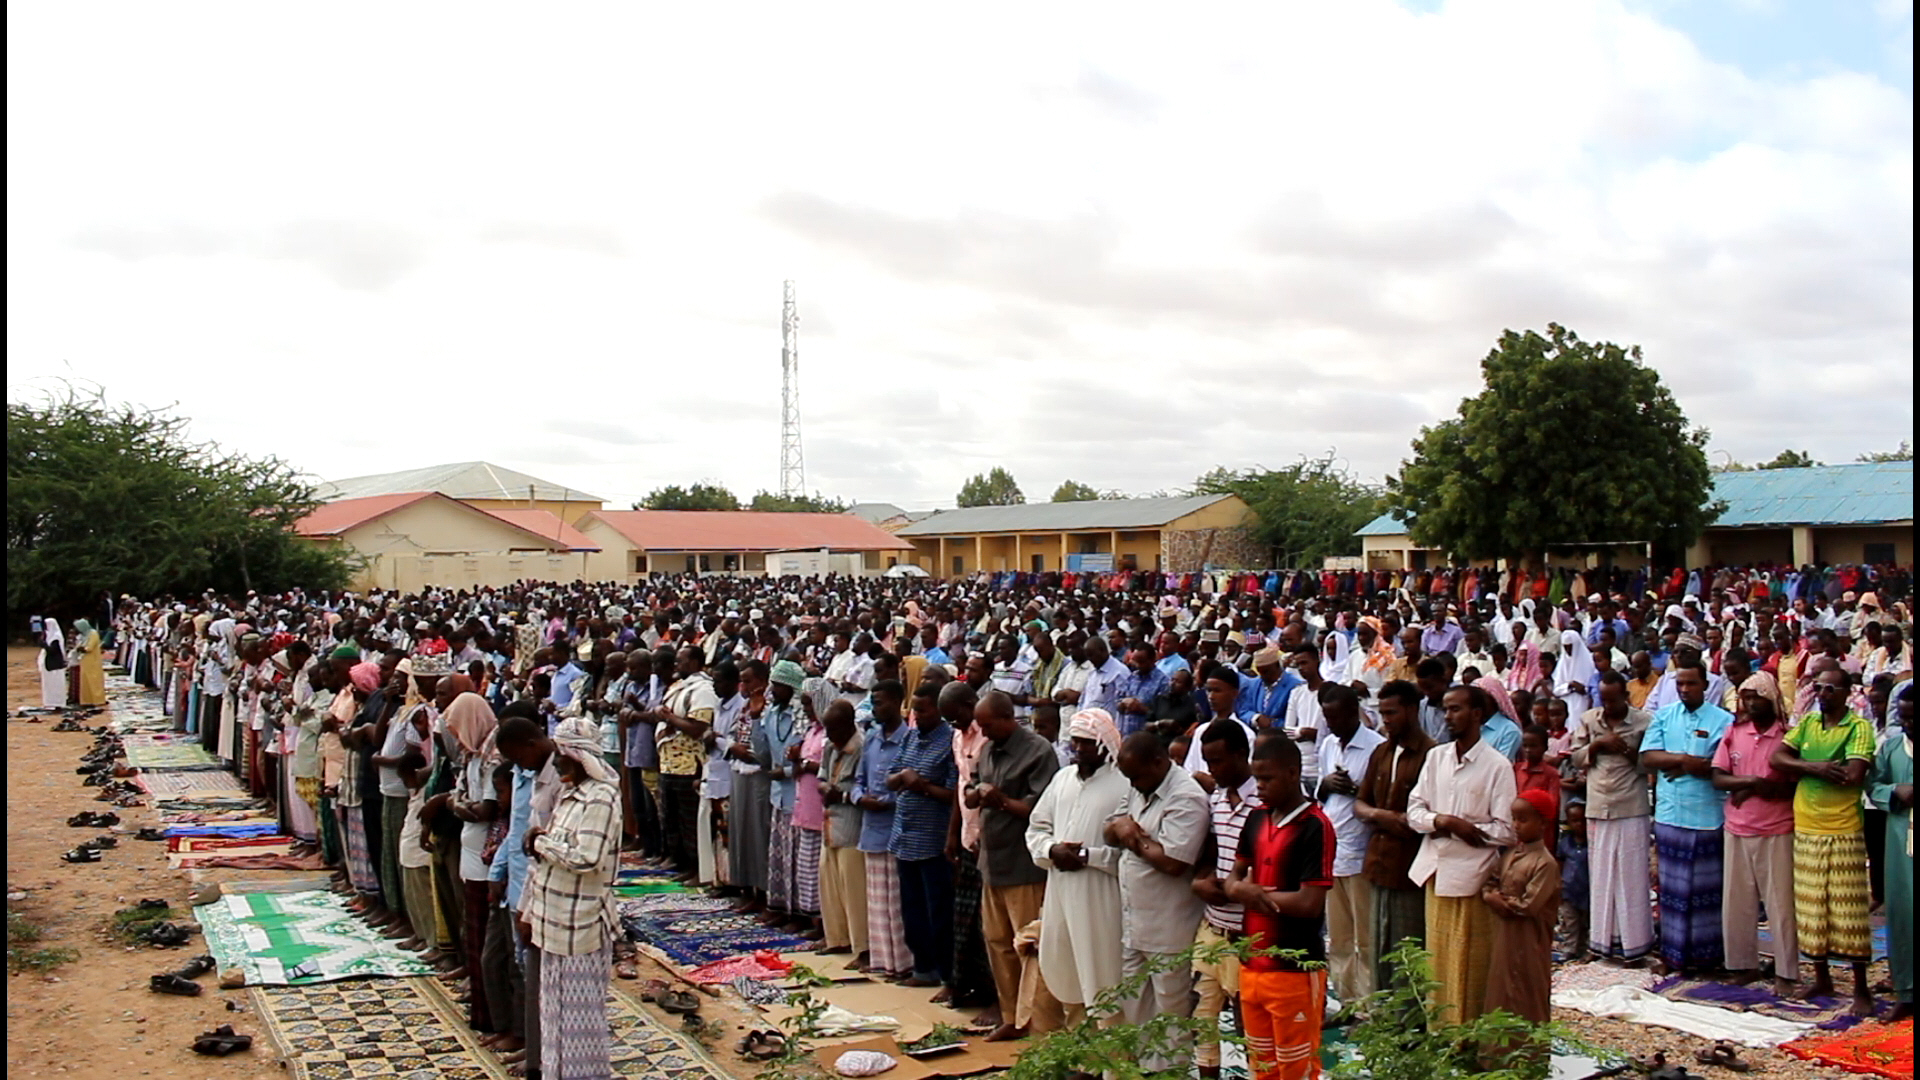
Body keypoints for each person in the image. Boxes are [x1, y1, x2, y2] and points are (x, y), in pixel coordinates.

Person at [1407, 685, 1517, 1024]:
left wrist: (1466, 829)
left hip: (1472, 876)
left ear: (1477, 715)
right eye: (1446, 710)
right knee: (1437, 960)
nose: (1448, 717)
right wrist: (1443, 821)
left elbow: (1506, 830)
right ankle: (1439, 1029)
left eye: (1456, 709)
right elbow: (1414, 811)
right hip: (1435, 870)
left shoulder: (1497, 766)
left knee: (1468, 962)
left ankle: (1467, 1033)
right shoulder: (1436, 758)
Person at [520, 717, 623, 1080]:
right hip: (554, 923)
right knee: (555, 1016)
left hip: (580, 925)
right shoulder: (570, 794)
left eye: (561, 755)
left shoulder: (602, 797)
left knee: (581, 1023)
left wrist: (541, 843)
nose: (556, 762)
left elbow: (587, 857)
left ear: (577, 756)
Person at [1226, 735, 1334, 1080]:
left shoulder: (1315, 826)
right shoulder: (1256, 818)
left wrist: (1252, 895)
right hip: (1252, 967)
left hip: (1295, 970)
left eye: (1267, 778)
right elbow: (1232, 880)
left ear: (1292, 773)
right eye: (1256, 778)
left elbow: (1309, 902)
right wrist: (1242, 890)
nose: (1259, 787)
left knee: (1297, 1069)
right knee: (1262, 1068)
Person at [1771, 668, 1878, 1016]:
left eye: (1830, 688)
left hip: (1843, 826)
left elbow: (1853, 774)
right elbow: (1777, 758)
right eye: (1818, 688)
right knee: (1811, 907)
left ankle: (1861, 988)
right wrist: (1816, 767)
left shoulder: (1859, 727)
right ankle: (1822, 978)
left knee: (1849, 910)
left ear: (1847, 692)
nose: (1823, 694)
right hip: (1807, 824)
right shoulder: (1808, 723)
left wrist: (1801, 766)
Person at [1107, 731, 1210, 1074]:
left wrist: (1131, 836)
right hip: (1134, 924)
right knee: (1135, 1009)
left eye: (1136, 777)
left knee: (1171, 1018)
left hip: (1169, 929)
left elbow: (1173, 862)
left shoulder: (1186, 796)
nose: (1132, 784)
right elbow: (1109, 829)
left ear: (1158, 762)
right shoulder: (1138, 784)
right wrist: (1124, 829)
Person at [1028, 707, 1131, 1030]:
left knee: (1105, 975)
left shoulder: (1124, 785)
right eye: (1075, 741)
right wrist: (1052, 850)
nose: (1078, 748)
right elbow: (1036, 828)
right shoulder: (1062, 779)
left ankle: (1113, 1054)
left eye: (1087, 742)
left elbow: (1132, 854)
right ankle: (1080, 1047)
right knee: (1065, 970)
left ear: (1105, 744)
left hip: (1102, 897)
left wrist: (1088, 857)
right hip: (1060, 892)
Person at [971, 689, 1062, 1039]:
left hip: (1022, 864)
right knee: (997, 942)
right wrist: (976, 793)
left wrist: (1001, 800)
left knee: (1028, 944)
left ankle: (1038, 1022)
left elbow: (1040, 811)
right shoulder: (988, 749)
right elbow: (973, 788)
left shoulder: (1038, 751)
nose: (983, 732)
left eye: (988, 725)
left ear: (1008, 718)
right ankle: (1011, 1016)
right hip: (991, 861)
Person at [1639, 663, 1736, 975]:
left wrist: (1689, 766)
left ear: (1705, 685)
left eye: (1691, 684)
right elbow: (1648, 757)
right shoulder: (1664, 716)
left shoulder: (1724, 720)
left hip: (1707, 817)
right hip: (1670, 815)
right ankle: (1673, 956)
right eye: (1680, 684)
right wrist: (1684, 760)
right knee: (1672, 892)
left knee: (1707, 893)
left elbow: (1722, 765)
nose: (1684, 689)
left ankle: (1707, 958)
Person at [1709, 671, 1799, 995]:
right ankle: (1742, 965)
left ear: (1771, 699)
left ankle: (1787, 972)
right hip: (1737, 827)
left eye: (1756, 697)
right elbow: (1718, 776)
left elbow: (1792, 785)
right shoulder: (1735, 732)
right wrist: (1751, 782)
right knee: (1737, 902)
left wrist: (1759, 788)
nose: (1749, 703)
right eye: (1745, 697)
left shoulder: (1788, 737)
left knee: (1780, 905)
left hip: (1776, 828)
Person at [1190, 717, 1261, 1079]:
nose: (1211, 770)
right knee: (1202, 1017)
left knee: (1250, 1024)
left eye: (1217, 761)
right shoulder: (1216, 799)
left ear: (1240, 755)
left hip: (1248, 932)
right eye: (1207, 762)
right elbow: (1212, 852)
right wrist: (1201, 882)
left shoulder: (1263, 801)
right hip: (1213, 926)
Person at [1354, 680, 1434, 990]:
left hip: (1410, 868)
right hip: (1378, 863)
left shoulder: (1432, 755)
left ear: (1412, 711)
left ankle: (1410, 1018)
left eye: (1392, 713)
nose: (1386, 720)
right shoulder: (1381, 752)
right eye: (1383, 713)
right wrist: (1381, 816)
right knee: (1380, 950)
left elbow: (1431, 815)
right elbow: (1360, 804)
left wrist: (1397, 819)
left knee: (1409, 953)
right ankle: (1384, 1013)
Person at [1314, 683, 1384, 1006]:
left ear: (1353, 712)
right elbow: (1320, 793)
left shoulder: (1376, 747)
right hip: (1332, 850)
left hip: (1360, 852)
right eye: (1327, 718)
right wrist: (1327, 784)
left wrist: (1356, 790)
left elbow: (1380, 799)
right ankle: (1346, 1001)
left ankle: (1369, 1006)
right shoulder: (1329, 745)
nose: (1331, 724)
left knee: (1365, 937)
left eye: (1336, 717)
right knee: (1339, 936)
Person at [889, 679, 960, 991]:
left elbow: (954, 793)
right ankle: (922, 968)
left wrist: (921, 785)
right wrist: (902, 778)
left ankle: (946, 975)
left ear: (939, 710)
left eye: (923, 710)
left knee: (939, 912)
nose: (916, 716)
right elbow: (890, 776)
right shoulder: (911, 736)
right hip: (904, 835)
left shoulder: (950, 741)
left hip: (933, 837)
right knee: (912, 909)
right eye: (914, 710)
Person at [1482, 791, 1561, 1027]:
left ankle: (1529, 1047)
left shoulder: (1545, 864)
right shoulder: (1510, 855)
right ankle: (1496, 1045)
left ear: (1543, 823)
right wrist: (1488, 895)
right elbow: (1492, 881)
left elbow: (1529, 905)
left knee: (1527, 989)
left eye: (1523, 820)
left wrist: (1499, 902)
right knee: (1500, 987)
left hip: (1530, 939)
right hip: (1505, 935)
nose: (1516, 826)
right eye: (1514, 819)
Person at [853, 679, 914, 978]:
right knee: (877, 901)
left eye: (880, 703)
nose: (875, 709)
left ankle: (902, 963)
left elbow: (908, 785)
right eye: (873, 702)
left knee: (897, 902)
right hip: (871, 827)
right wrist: (859, 798)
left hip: (897, 829)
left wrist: (887, 801)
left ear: (897, 703)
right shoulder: (871, 738)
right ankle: (882, 961)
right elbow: (858, 779)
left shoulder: (909, 739)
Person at [1867, 683, 1914, 1021]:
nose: (1909, 725)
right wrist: (1895, 791)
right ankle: (1906, 990)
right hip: (1900, 842)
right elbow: (1873, 784)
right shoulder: (1893, 748)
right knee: (1901, 914)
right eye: (1905, 718)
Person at [817, 698, 869, 963]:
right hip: (829, 823)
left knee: (854, 890)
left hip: (852, 827)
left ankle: (862, 947)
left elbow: (863, 788)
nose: (829, 735)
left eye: (833, 729)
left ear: (848, 726)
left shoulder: (861, 747)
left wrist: (842, 795)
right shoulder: (830, 746)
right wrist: (826, 788)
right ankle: (837, 939)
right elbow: (821, 778)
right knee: (830, 887)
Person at [1555, 803, 1591, 962]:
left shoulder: (1593, 844)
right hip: (1568, 890)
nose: (1579, 825)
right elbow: (1560, 863)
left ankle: (1584, 948)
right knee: (1570, 922)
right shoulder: (1565, 843)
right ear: (1568, 822)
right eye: (1575, 821)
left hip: (1587, 891)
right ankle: (1570, 949)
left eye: (1583, 820)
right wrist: (1558, 885)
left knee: (1586, 923)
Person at [70, 617, 106, 707]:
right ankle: (86, 700)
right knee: (85, 681)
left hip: (92, 661)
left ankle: (97, 699)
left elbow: (89, 648)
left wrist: (81, 648)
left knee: (93, 681)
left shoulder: (93, 634)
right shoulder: (85, 635)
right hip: (85, 661)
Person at [37, 617, 67, 708]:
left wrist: (44, 645)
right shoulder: (49, 636)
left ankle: (57, 703)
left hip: (55, 665)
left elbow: (53, 651)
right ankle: (49, 702)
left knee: (56, 685)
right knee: (49, 685)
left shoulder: (56, 637)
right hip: (49, 664)